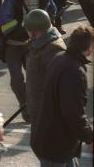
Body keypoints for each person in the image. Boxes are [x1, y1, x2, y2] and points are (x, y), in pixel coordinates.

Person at [0, 0, 56, 122]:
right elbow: (5, 22)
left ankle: (34, 108)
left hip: (32, 46)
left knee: (34, 80)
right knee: (16, 79)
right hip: (13, 46)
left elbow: (52, 14)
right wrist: (26, 30)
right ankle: (25, 105)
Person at [31, 25, 94, 166]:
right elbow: (73, 112)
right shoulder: (74, 71)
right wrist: (89, 138)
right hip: (56, 146)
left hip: (52, 139)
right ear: (88, 46)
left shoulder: (59, 58)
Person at [23, 9, 66, 127]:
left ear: (34, 31)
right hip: (38, 108)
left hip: (48, 115)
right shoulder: (39, 44)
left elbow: (60, 86)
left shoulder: (53, 50)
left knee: (43, 144)